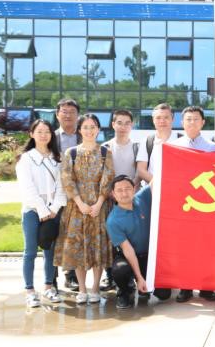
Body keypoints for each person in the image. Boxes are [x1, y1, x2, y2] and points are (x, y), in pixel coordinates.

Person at [54, 113, 115, 305]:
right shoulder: (70, 153)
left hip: (99, 208)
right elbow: (67, 179)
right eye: (85, 127)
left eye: (93, 127)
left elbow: (108, 178)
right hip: (76, 208)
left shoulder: (105, 152)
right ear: (79, 130)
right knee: (79, 247)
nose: (89, 130)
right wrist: (80, 203)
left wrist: (99, 203)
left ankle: (95, 288)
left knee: (97, 247)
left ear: (98, 129)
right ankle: (82, 289)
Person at [170, 106, 215, 303]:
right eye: (188, 119)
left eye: (196, 119)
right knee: (184, 247)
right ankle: (186, 286)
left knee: (207, 246)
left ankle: (207, 287)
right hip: (183, 205)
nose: (192, 122)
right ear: (182, 122)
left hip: (206, 205)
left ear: (203, 122)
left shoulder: (212, 148)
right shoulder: (173, 147)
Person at [16, 119, 66, 307]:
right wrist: (42, 210)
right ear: (32, 134)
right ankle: (30, 291)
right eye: (39, 131)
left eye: (47, 131)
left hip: (53, 212)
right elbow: (27, 188)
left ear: (51, 134)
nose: (44, 135)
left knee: (50, 251)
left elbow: (62, 187)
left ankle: (48, 287)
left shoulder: (57, 158)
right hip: (32, 211)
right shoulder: (25, 159)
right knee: (30, 251)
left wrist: (54, 209)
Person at [106, 175, 171, 309]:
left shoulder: (142, 198)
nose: (124, 193)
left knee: (164, 294)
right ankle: (126, 291)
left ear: (134, 188)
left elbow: (157, 180)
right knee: (120, 270)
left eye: (127, 189)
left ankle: (144, 287)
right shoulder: (113, 220)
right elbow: (128, 250)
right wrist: (139, 277)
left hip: (149, 257)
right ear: (113, 194)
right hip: (129, 257)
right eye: (119, 190)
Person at [100, 109, 140, 292]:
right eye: (119, 122)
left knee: (130, 237)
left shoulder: (137, 147)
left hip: (131, 198)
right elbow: (101, 175)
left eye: (127, 123)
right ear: (113, 124)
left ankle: (132, 274)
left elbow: (139, 173)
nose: (123, 126)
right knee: (109, 238)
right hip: (110, 198)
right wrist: (111, 193)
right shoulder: (105, 148)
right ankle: (110, 275)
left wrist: (132, 191)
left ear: (132, 125)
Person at [54, 98, 81, 290]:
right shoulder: (50, 137)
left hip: (78, 195)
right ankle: (51, 278)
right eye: (64, 111)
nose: (68, 115)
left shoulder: (84, 135)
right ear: (57, 115)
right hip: (55, 194)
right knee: (54, 236)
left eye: (72, 112)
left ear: (78, 116)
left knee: (73, 235)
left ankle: (70, 275)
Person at [136, 103, 181, 184]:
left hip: (177, 188)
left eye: (166, 117)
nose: (162, 121)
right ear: (153, 120)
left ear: (172, 119)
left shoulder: (182, 140)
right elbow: (141, 170)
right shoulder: (147, 141)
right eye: (158, 118)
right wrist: (158, 184)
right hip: (152, 189)